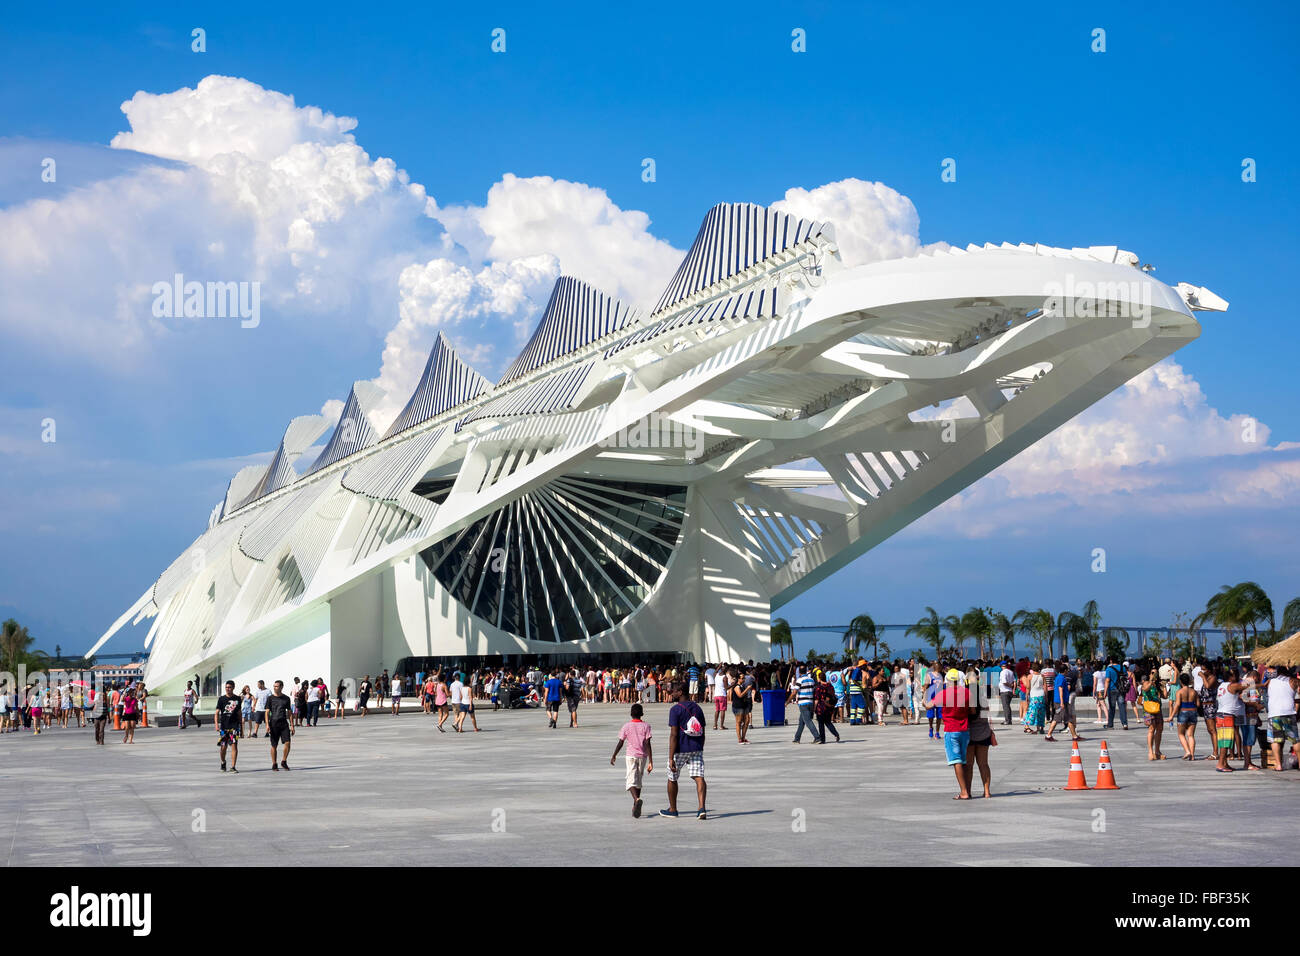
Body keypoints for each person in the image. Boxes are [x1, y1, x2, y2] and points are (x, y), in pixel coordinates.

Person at [661, 686, 707, 820]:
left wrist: (671, 757)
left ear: (680, 692)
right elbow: (702, 730)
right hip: (696, 747)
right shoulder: (698, 708)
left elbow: (674, 735)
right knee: (699, 777)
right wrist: (700, 747)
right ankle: (701, 808)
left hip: (680, 748)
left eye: (674, 691)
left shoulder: (675, 709)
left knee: (672, 777)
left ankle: (673, 809)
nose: (672, 693)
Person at [611, 703, 654, 818]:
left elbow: (621, 742)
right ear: (642, 714)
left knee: (630, 781)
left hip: (630, 756)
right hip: (643, 756)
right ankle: (636, 804)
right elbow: (648, 743)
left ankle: (636, 799)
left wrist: (614, 754)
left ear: (631, 714)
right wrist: (651, 761)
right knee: (638, 781)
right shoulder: (646, 726)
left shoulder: (626, 726)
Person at [935, 669, 972, 799]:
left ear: (947, 681)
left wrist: (924, 693)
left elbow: (928, 705)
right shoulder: (967, 692)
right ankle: (967, 789)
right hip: (965, 730)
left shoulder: (944, 693)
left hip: (951, 729)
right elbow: (972, 711)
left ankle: (964, 792)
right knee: (964, 761)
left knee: (956, 761)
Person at [1265, 665, 1299, 772]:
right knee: (1295, 740)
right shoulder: (1293, 681)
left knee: (1275, 740)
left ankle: (1278, 765)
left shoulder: (1271, 681)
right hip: (1289, 712)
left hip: (1274, 714)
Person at [965, 685, 995, 799]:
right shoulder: (984, 701)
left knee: (969, 765)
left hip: (970, 735)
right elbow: (986, 716)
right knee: (983, 764)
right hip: (984, 734)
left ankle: (968, 791)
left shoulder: (967, 702)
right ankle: (987, 791)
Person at [1214, 669, 1244, 772]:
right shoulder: (1232, 685)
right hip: (1226, 716)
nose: (1237, 677)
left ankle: (1224, 763)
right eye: (1235, 675)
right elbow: (1248, 686)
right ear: (1231, 677)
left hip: (1221, 714)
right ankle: (1220, 764)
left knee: (1223, 741)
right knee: (1226, 741)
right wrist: (1263, 684)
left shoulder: (1222, 685)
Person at [1044, 661, 1077, 741]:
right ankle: (1049, 735)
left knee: (1063, 718)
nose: (1068, 671)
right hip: (1060, 702)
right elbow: (1060, 690)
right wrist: (1062, 702)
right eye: (1067, 670)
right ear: (1065, 670)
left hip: (1060, 701)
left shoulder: (1058, 677)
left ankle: (1074, 736)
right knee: (1061, 718)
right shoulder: (1061, 678)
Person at [266, 679, 293, 770]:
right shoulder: (270, 698)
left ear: (281, 687)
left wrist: (292, 725)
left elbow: (289, 713)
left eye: (277, 686)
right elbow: (267, 712)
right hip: (273, 723)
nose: (275, 688)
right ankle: (274, 763)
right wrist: (267, 725)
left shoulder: (286, 698)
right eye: (274, 686)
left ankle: (284, 761)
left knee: (288, 743)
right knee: (274, 745)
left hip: (284, 723)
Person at [216, 680, 242, 772]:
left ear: (233, 688)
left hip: (234, 727)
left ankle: (233, 766)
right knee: (223, 747)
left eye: (229, 687)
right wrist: (216, 725)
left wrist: (241, 728)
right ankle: (223, 762)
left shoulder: (237, 699)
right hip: (224, 727)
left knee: (234, 745)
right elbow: (216, 713)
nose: (228, 689)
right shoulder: (221, 699)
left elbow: (239, 713)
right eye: (226, 687)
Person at [1139, 671, 1166, 761]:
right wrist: (1150, 681)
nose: (1154, 674)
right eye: (1152, 673)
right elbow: (1145, 689)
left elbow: (1165, 696)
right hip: (1148, 709)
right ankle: (1150, 752)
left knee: (1159, 729)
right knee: (1151, 729)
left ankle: (1157, 751)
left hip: (1157, 708)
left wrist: (1164, 687)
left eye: (1155, 673)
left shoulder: (1157, 684)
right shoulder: (1146, 683)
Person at [789, 665, 819, 744]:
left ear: (799, 672)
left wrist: (787, 701)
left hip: (803, 703)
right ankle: (797, 738)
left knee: (808, 721)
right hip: (810, 702)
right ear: (806, 670)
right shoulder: (811, 680)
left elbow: (794, 692)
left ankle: (817, 737)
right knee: (801, 721)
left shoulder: (800, 680)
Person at [1173, 674, 1199, 760]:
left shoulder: (1179, 692)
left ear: (1180, 681)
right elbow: (1198, 704)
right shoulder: (1194, 692)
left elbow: (1177, 704)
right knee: (1191, 735)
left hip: (1183, 711)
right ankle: (1192, 755)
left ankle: (1187, 751)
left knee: (1181, 734)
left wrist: (1171, 716)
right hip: (1193, 711)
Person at [813, 669, 840, 743]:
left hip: (821, 708)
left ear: (819, 678)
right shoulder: (830, 686)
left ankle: (822, 739)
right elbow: (833, 695)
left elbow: (817, 700)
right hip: (829, 707)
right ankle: (836, 734)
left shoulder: (818, 687)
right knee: (828, 722)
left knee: (821, 724)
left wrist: (814, 709)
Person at [1103, 657, 1129, 730]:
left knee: (1112, 708)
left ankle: (1110, 725)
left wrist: (1105, 692)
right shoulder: (1123, 668)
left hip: (1112, 690)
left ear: (1111, 661)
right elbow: (1126, 676)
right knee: (1122, 707)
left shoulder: (1109, 669)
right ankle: (1124, 724)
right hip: (1121, 690)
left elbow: (1107, 680)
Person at [729, 670, 753, 744]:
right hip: (738, 706)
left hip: (744, 705)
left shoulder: (742, 686)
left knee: (747, 721)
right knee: (738, 722)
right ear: (738, 679)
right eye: (742, 678)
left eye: (744, 678)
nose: (743, 680)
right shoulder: (736, 686)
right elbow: (740, 695)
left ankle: (743, 738)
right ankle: (740, 739)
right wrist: (747, 689)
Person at [1023, 663, 1045, 735]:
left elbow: (1028, 687)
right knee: (1040, 712)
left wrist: (1027, 696)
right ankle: (1040, 728)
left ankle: (1026, 726)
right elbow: (1045, 687)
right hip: (1041, 695)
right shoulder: (1042, 676)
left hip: (1034, 696)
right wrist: (1046, 696)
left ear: (1032, 669)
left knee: (1031, 712)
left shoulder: (1030, 676)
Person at [998, 660, 1015, 726]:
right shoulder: (1011, 672)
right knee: (1007, 705)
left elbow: (1004, 682)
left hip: (1004, 690)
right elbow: (1014, 681)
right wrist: (1012, 688)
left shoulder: (1003, 672)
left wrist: (1009, 685)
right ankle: (1008, 719)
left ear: (1001, 666)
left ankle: (1007, 720)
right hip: (1009, 691)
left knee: (1006, 706)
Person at [712, 667, 728, 731]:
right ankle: (721, 726)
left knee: (717, 710)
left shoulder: (716, 675)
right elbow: (726, 687)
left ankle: (715, 725)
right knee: (722, 710)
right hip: (722, 695)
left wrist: (719, 666)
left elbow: (715, 671)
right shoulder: (725, 677)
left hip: (716, 695)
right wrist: (733, 684)